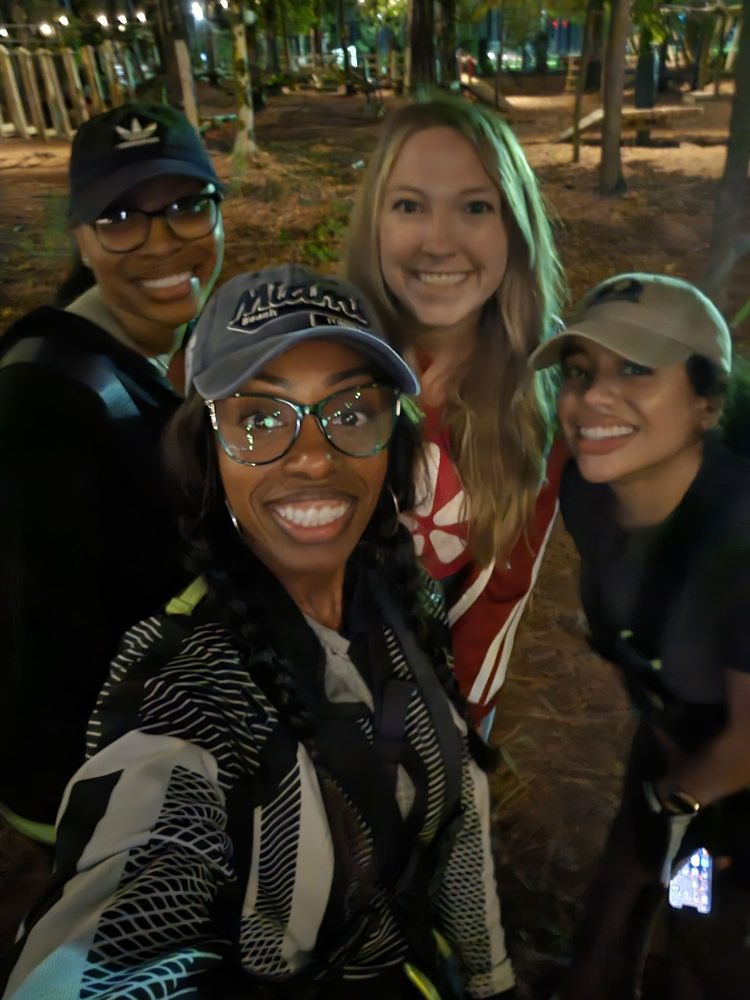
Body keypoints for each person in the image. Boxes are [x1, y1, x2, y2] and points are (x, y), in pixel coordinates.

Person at [3, 265, 516, 1000]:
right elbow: (117, 919)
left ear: (392, 440)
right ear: (206, 452)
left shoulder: (405, 595)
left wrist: (492, 978)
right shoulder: (184, 685)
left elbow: (458, 812)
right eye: (261, 418)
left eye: (351, 411)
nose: (313, 456)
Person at [0, 102, 224, 932]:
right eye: (121, 218)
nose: (162, 242)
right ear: (83, 240)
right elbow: (53, 638)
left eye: (187, 207)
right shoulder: (44, 403)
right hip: (91, 785)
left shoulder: (148, 354)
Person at [530, 273, 750, 998]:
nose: (592, 396)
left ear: (707, 403)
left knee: (703, 917)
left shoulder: (739, 539)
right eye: (580, 371)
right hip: (676, 739)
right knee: (626, 882)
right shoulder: (588, 493)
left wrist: (674, 803)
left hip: (728, 772)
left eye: (636, 369)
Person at [346, 96, 567, 729]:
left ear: (514, 229)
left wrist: (456, 726)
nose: (439, 242)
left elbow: (503, 587)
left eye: (475, 207)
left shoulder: (541, 383)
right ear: (374, 224)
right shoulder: (325, 358)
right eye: (409, 205)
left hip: (446, 706)